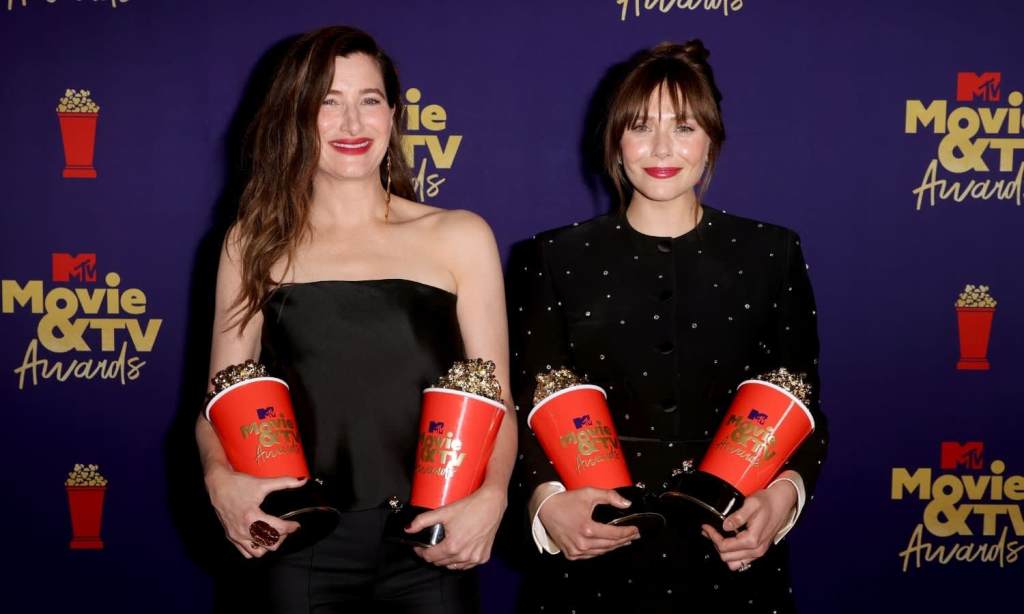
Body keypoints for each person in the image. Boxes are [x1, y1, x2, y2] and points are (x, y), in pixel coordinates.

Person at [195, 26, 515, 614]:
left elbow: (498, 403)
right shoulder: (253, 244)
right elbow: (219, 403)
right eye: (329, 101)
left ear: (392, 115)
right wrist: (221, 483)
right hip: (296, 542)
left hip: (431, 540)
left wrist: (492, 497)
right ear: (296, 115)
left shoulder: (459, 235)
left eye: (369, 100)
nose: (352, 123)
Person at [508, 40, 828, 612]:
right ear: (615, 141)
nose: (661, 148)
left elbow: (801, 404)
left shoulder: (771, 252)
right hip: (593, 556)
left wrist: (784, 497)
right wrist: (547, 504)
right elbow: (524, 406)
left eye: (683, 127)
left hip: (731, 550)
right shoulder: (552, 258)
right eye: (640, 127)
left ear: (711, 140)